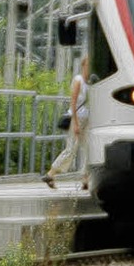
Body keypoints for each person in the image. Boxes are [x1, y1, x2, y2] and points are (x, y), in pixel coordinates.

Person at [42, 55, 90, 190]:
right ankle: (51, 173)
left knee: (89, 149)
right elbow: (73, 102)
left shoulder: (92, 82)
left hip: (88, 119)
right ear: (83, 66)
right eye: (88, 65)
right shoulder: (78, 80)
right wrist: (75, 123)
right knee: (71, 149)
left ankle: (86, 178)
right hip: (77, 118)